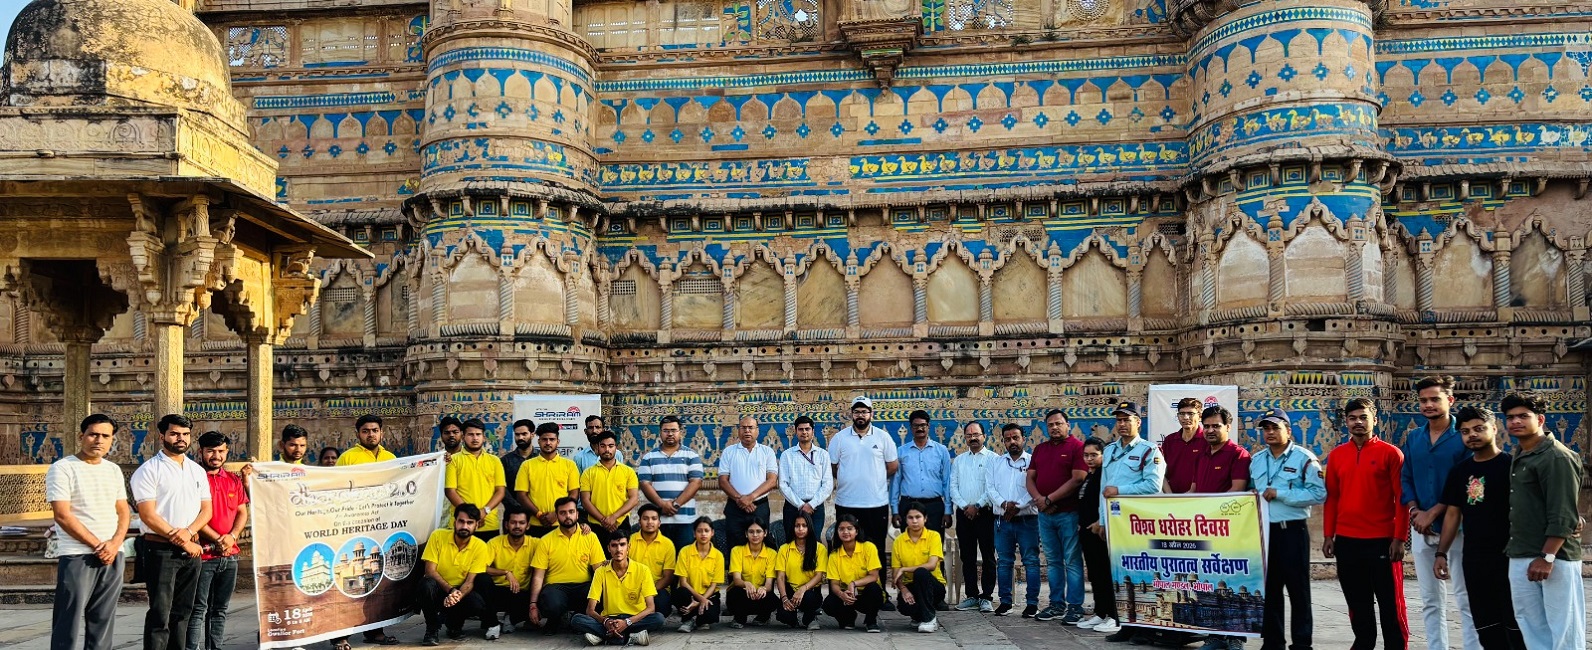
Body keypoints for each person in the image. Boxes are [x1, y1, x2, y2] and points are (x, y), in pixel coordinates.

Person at [1431, 406, 1524, 650]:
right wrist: (1441, 553)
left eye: (1478, 429)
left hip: (1510, 557)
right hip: (1474, 559)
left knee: (1515, 624)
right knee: (1485, 624)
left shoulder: (1512, 467)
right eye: (1465, 431)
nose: (1472, 435)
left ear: (1494, 429)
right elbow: (1453, 514)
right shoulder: (1460, 471)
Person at [1500, 390, 1586, 649]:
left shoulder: (1557, 457)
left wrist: (1547, 557)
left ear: (1540, 419)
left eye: (1523, 416)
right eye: (1510, 417)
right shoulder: (1521, 454)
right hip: (1521, 551)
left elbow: (1563, 512)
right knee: (1531, 628)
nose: (1516, 421)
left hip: (1554, 557)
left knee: (1564, 630)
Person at [1323, 398, 1408, 650]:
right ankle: (1363, 644)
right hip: (1347, 542)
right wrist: (1328, 535)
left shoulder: (1391, 454)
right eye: (1352, 418)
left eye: (1363, 417)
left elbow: (1401, 499)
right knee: (1358, 604)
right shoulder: (1337, 455)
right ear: (1346, 421)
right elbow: (1332, 497)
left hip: (1382, 541)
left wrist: (1399, 538)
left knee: (1390, 604)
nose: (1358, 422)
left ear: (1375, 420)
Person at [1400, 376, 1475, 650]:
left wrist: (1433, 512)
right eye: (1423, 400)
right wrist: (1415, 510)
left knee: (1465, 596)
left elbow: (1467, 482)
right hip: (1421, 527)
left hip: (1457, 527)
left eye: (1434, 399)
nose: (1428, 405)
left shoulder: (1463, 437)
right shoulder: (1414, 438)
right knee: (1430, 599)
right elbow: (1406, 477)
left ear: (1450, 400)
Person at [47, 413, 131, 650]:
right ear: (81, 436)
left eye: (105, 436)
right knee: (68, 621)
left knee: (103, 621)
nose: (99, 440)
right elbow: (62, 515)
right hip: (77, 553)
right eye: (93, 434)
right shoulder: (62, 468)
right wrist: (97, 545)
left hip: (113, 554)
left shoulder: (113, 470)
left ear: (112, 439)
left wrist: (114, 544)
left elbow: (123, 511)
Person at [131, 414, 211, 650]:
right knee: (160, 613)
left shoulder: (197, 470)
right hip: (160, 549)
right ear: (162, 436)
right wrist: (183, 540)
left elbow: (207, 510)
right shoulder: (149, 470)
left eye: (185, 434)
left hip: (192, 549)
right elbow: (148, 515)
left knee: (183, 612)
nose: (180, 438)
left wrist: (189, 532)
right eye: (175, 433)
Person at [1249, 409, 1325, 650]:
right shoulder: (1257, 460)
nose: (1270, 432)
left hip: (1291, 531)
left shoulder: (1304, 458)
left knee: (1298, 590)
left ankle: (1302, 644)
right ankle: (1273, 642)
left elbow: (1319, 493)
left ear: (1288, 431)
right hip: (1264, 533)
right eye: (1266, 429)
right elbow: (1251, 491)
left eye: (1275, 427)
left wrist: (1281, 494)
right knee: (1269, 590)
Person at [328, 415, 402, 647]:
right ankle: (341, 635)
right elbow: (336, 490)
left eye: (375, 430)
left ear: (382, 433)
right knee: (349, 581)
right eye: (366, 431)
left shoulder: (391, 459)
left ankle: (375, 631)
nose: (371, 434)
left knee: (376, 581)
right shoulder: (348, 458)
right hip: (354, 525)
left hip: (381, 527)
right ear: (358, 433)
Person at [1097, 401, 1165, 644]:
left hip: (1138, 523)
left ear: (1138, 422)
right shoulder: (1110, 450)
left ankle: (1145, 628)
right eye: (1119, 420)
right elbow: (1103, 488)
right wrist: (1102, 520)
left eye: (1127, 419)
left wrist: (1120, 490)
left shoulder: (1149, 451)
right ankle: (1125, 623)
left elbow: (1153, 486)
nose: (1122, 424)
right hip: (1115, 521)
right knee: (1119, 573)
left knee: (1141, 573)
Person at [1190, 408, 1251, 650]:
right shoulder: (1201, 455)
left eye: (1216, 426)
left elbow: (1237, 490)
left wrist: (1210, 512)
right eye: (1206, 426)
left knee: (1232, 583)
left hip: (1229, 531)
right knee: (1209, 583)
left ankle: (1236, 637)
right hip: (1204, 530)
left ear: (1228, 427)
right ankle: (1214, 636)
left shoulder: (1238, 455)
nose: (1210, 430)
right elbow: (1193, 491)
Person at [187, 432, 249, 650]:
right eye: (211, 451)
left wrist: (232, 536)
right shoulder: (194, 479)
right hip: (203, 554)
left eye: (221, 451)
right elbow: (195, 516)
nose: (216, 456)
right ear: (200, 452)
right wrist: (217, 539)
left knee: (220, 609)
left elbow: (242, 512)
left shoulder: (233, 480)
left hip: (229, 555)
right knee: (197, 608)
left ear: (227, 452)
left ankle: (215, 647)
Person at [1026, 408, 1088, 623]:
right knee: (1052, 561)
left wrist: (1049, 499)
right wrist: (1040, 501)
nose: (1054, 427)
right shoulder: (1040, 449)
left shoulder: (1077, 447)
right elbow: (1030, 478)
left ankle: (1075, 606)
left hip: (1069, 513)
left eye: (1058, 423)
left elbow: (1078, 478)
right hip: (1045, 515)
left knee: (1072, 560)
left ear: (1067, 425)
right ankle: (1056, 604)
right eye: (1050, 424)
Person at [830, 396, 899, 575]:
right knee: (846, 547)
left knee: (876, 547)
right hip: (846, 503)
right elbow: (833, 467)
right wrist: (850, 478)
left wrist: (875, 478)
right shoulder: (839, 438)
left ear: (871, 414)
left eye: (864, 412)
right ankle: (847, 587)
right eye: (857, 412)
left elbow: (893, 466)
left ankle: (878, 589)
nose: (860, 415)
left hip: (876, 503)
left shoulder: (883, 437)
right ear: (851, 414)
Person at [528, 497, 606, 635]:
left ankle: (577, 620)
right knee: (551, 603)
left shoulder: (590, 537)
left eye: (571, 512)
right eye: (563, 513)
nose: (567, 516)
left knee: (599, 594)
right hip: (556, 587)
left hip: (583, 586)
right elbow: (538, 576)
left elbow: (599, 570)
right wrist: (533, 605)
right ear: (557, 516)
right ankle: (555, 620)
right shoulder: (546, 540)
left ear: (577, 514)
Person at [986, 423, 1041, 618]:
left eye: (1015, 437)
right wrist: (1004, 504)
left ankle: (1032, 604)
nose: (1012, 442)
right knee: (1004, 561)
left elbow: (1036, 487)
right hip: (1003, 520)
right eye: (1008, 439)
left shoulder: (1033, 461)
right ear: (1003, 441)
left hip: (1028, 519)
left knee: (1031, 561)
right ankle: (1005, 602)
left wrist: (1018, 506)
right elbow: (990, 488)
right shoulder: (996, 463)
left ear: (1023, 438)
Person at [571, 535, 665, 646]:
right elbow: (590, 610)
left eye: (622, 545)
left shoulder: (643, 570)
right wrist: (605, 622)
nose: (618, 549)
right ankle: (631, 637)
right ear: (609, 548)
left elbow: (651, 608)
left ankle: (605, 637)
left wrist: (626, 622)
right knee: (576, 619)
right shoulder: (601, 571)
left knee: (658, 618)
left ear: (628, 547)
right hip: (610, 619)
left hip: (634, 619)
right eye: (614, 545)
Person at [418, 504, 491, 646]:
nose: (464, 526)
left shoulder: (480, 546)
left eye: (470, 522)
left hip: (460, 591)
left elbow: (469, 582)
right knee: (426, 585)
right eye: (461, 521)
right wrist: (450, 590)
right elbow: (430, 571)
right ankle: (432, 629)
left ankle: (454, 625)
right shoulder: (438, 536)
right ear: (454, 522)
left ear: (477, 525)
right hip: (439, 588)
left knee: (477, 603)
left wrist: (457, 596)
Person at [948, 420, 997, 612]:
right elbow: (953, 487)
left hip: (985, 514)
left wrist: (977, 506)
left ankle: (986, 597)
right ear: (965, 438)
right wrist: (965, 506)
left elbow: (992, 487)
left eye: (976, 434)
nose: (973, 438)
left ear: (984, 436)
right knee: (967, 556)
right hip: (964, 515)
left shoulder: (993, 459)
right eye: (969, 435)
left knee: (988, 556)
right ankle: (971, 596)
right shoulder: (959, 460)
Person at [636, 415, 704, 551]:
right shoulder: (649, 457)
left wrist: (676, 504)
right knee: (658, 558)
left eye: (674, 430)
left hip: (685, 520)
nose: (670, 434)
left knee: (683, 559)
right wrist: (662, 505)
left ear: (680, 432)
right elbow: (644, 484)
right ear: (660, 433)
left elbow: (696, 483)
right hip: (658, 521)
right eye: (666, 431)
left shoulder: (692, 456)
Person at [1074, 437, 1120, 634]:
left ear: (1103, 455)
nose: (1090, 459)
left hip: (1100, 532)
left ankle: (1114, 616)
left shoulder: (1104, 476)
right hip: (1087, 533)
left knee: (1105, 574)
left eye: (1094, 455)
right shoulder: (1090, 476)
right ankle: (1100, 612)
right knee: (1094, 574)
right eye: (1086, 455)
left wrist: (1099, 522)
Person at [718, 416, 779, 552]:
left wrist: (750, 497)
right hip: (735, 506)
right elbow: (722, 480)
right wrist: (740, 499)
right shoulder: (729, 452)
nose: (747, 431)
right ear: (738, 431)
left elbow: (772, 481)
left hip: (759, 506)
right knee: (735, 547)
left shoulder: (767, 452)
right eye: (743, 428)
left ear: (757, 430)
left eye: (750, 428)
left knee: (761, 546)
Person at [514, 422, 582, 538]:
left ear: (558, 442)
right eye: (544, 439)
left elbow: (574, 493)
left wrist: (556, 514)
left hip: (562, 524)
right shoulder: (527, 465)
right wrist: (539, 515)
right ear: (538, 441)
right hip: (535, 524)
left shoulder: (569, 465)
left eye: (552, 439)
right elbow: (521, 495)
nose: (548, 443)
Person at [891, 410, 952, 536]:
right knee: (909, 544)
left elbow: (947, 481)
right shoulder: (901, 451)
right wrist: (895, 510)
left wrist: (948, 511)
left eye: (923, 425)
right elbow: (895, 482)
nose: (920, 428)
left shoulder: (941, 451)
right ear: (911, 428)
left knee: (934, 544)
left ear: (928, 426)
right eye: (916, 426)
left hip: (934, 507)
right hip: (908, 506)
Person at [477, 510, 538, 637]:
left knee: (545, 596)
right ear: (506, 525)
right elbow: (480, 567)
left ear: (528, 525)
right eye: (513, 522)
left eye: (521, 523)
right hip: (497, 592)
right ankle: (493, 623)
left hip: (522, 593)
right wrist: (505, 572)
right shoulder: (494, 543)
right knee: (481, 578)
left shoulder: (536, 544)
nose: (517, 526)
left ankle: (511, 619)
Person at [447, 418, 506, 541]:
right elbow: (450, 491)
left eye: (478, 434)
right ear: (463, 437)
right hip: (462, 524)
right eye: (471, 434)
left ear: (484, 437)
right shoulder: (454, 460)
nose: (475, 438)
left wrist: (485, 511)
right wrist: (470, 515)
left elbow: (500, 491)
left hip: (489, 524)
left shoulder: (494, 461)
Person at [822, 515, 884, 633]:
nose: (845, 532)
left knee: (874, 588)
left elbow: (874, 576)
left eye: (850, 528)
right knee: (829, 604)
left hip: (867, 596)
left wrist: (854, 583)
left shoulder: (868, 547)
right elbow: (834, 584)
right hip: (848, 596)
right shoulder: (834, 555)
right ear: (837, 532)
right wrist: (841, 594)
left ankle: (871, 621)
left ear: (857, 531)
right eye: (841, 529)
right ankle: (848, 618)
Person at [580, 431, 640, 552]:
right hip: (596, 526)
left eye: (610, 446)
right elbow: (585, 501)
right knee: (598, 560)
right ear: (597, 448)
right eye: (603, 446)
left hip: (621, 524)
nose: (607, 449)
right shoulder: (588, 473)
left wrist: (614, 517)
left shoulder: (628, 472)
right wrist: (604, 520)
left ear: (616, 448)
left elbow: (634, 499)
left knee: (621, 559)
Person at [891, 502, 947, 633]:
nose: (914, 521)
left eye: (918, 517)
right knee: (904, 606)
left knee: (921, 573)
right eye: (910, 517)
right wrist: (903, 589)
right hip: (911, 585)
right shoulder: (899, 541)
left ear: (925, 519)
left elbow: (931, 565)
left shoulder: (934, 536)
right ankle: (918, 616)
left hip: (934, 586)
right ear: (905, 520)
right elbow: (896, 573)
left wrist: (905, 569)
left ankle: (929, 618)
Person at [778, 415, 832, 548]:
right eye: (801, 429)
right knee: (792, 543)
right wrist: (800, 505)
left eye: (807, 429)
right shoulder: (787, 455)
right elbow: (783, 484)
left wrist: (811, 505)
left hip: (816, 507)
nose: (804, 432)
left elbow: (828, 484)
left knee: (815, 543)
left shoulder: (822, 454)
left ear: (813, 431)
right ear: (796, 431)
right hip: (792, 506)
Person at [776, 511, 827, 630]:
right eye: (797, 526)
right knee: (783, 615)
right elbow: (780, 577)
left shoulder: (819, 548)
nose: (800, 529)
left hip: (810, 591)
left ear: (810, 527)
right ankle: (794, 619)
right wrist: (784, 598)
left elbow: (819, 576)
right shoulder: (784, 549)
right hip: (790, 590)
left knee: (809, 598)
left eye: (804, 525)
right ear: (792, 528)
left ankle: (810, 618)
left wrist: (802, 590)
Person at [674, 517, 725, 633]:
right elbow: (683, 582)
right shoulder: (685, 551)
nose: (703, 534)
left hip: (708, 594)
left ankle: (700, 620)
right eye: (699, 531)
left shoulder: (718, 555)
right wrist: (701, 600)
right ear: (694, 533)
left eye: (706, 531)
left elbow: (713, 585)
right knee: (680, 593)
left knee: (711, 616)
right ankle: (688, 620)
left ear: (712, 533)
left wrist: (701, 600)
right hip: (689, 594)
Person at [726, 520, 778, 627]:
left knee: (773, 600)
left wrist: (763, 589)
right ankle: (739, 619)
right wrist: (746, 584)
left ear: (765, 533)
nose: (755, 535)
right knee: (735, 593)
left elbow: (769, 584)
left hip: (759, 595)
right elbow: (736, 580)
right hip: (742, 594)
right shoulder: (737, 551)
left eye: (758, 531)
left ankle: (763, 617)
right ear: (746, 534)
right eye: (751, 532)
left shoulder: (772, 553)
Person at [628, 505, 677, 615]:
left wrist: (648, 592)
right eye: (645, 519)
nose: (650, 522)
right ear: (639, 522)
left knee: (662, 607)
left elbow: (668, 577)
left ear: (659, 523)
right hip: (632, 588)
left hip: (657, 589)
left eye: (654, 519)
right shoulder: (630, 541)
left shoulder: (667, 544)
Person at [1160, 397, 1206, 494]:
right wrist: (1170, 496)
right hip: (1173, 498)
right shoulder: (1170, 440)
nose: (1185, 417)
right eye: (1182, 413)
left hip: (1200, 498)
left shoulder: (1207, 440)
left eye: (1190, 413)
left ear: (1200, 416)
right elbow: (1161, 471)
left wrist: (1190, 494)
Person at [499, 419, 538, 531]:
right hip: (512, 517)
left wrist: (535, 510)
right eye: (517, 434)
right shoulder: (506, 461)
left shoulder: (541, 458)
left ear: (532, 435)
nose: (520, 437)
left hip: (537, 517)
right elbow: (502, 488)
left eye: (524, 434)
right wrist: (517, 507)